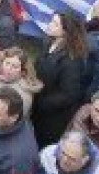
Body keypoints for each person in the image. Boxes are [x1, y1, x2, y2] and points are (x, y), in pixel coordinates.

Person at [30, 10, 88, 146]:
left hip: (52, 118)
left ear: (66, 31)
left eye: (55, 24)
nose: (49, 25)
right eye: (52, 21)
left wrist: (40, 103)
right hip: (39, 105)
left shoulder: (71, 60)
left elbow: (69, 95)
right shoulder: (49, 42)